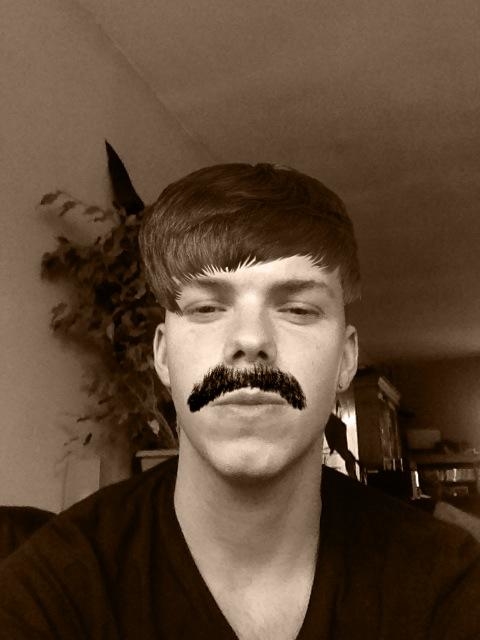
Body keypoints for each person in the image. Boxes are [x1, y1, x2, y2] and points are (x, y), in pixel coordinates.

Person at [0, 163, 479, 639]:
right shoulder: (52, 588)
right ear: (162, 356)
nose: (250, 340)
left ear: (346, 359)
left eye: (297, 309)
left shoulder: (446, 580)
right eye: (207, 307)